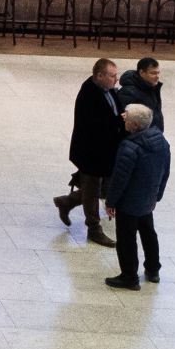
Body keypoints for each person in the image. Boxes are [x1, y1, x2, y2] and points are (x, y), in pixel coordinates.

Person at [55, 57, 122, 248]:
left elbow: (114, 113)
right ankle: (94, 229)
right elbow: (96, 125)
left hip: (106, 150)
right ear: (99, 75)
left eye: (116, 75)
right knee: (93, 190)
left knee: (100, 188)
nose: (116, 79)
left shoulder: (109, 90)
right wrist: (119, 121)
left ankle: (66, 201)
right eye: (112, 75)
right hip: (91, 152)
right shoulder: (89, 95)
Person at [104, 104, 171, 290]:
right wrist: (157, 195)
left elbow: (120, 179)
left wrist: (111, 201)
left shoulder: (130, 147)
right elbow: (165, 172)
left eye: (127, 119)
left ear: (133, 125)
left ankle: (129, 276)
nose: (123, 120)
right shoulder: (161, 141)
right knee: (148, 233)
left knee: (126, 239)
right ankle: (153, 269)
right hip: (148, 198)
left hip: (129, 202)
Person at [116, 56, 164, 132]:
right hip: (140, 139)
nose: (157, 77)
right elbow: (124, 121)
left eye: (158, 73)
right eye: (153, 73)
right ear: (141, 73)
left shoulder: (151, 88)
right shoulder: (128, 92)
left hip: (152, 135)